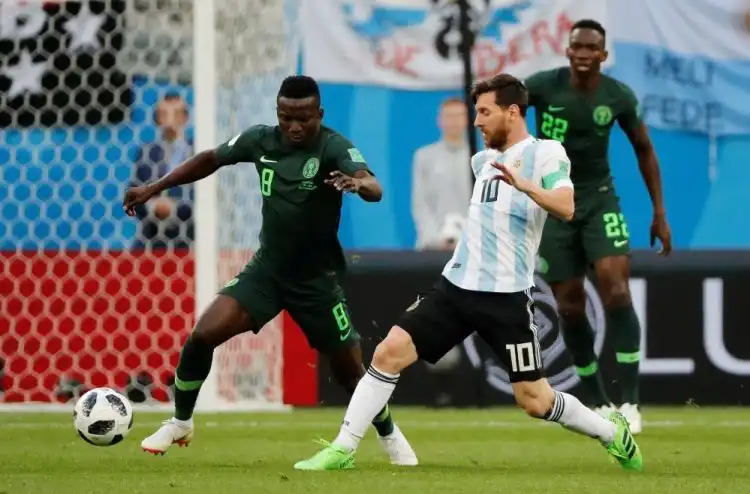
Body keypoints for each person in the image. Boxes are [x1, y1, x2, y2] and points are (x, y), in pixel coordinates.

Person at [294, 74, 643, 472]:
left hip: (507, 297)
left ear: (513, 112)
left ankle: (611, 433)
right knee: (389, 352)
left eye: (484, 112)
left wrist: (526, 186)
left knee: (535, 400)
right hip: (456, 287)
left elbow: (565, 206)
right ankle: (344, 448)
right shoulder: (482, 161)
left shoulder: (546, 153)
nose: (477, 122)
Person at [123, 75, 417, 465]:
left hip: (316, 282)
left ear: (319, 114)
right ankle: (180, 421)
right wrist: (153, 187)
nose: (294, 126)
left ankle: (389, 434)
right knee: (202, 335)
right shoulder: (260, 139)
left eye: (303, 118)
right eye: (286, 117)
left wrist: (357, 184)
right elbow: (210, 158)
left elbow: (374, 186)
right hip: (267, 273)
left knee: (351, 375)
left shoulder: (334, 146)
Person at [525, 19, 672, 434]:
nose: (585, 54)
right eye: (578, 47)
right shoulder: (543, 86)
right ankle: (600, 401)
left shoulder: (618, 96)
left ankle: (630, 402)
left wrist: (659, 213)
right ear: (568, 51)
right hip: (554, 201)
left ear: (604, 55)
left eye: (593, 48)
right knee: (570, 306)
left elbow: (644, 149)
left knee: (616, 287)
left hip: (598, 198)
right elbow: (506, 107)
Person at [130, 92, 194, 250]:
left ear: (185, 118)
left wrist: (174, 210)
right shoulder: (146, 153)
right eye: (164, 114)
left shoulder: (198, 151)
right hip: (152, 239)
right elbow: (134, 193)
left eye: (176, 114)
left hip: (191, 239)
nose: (170, 120)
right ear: (157, 119)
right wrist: (153, 207)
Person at [411, 98, 472, 250]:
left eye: (459, 115)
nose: (454, 121)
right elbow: (420, 204)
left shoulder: (482, 157)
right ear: (440, 120)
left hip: (472, 246)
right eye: (449, 116)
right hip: (433, 247)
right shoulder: (424, 156)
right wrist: (437, 239)